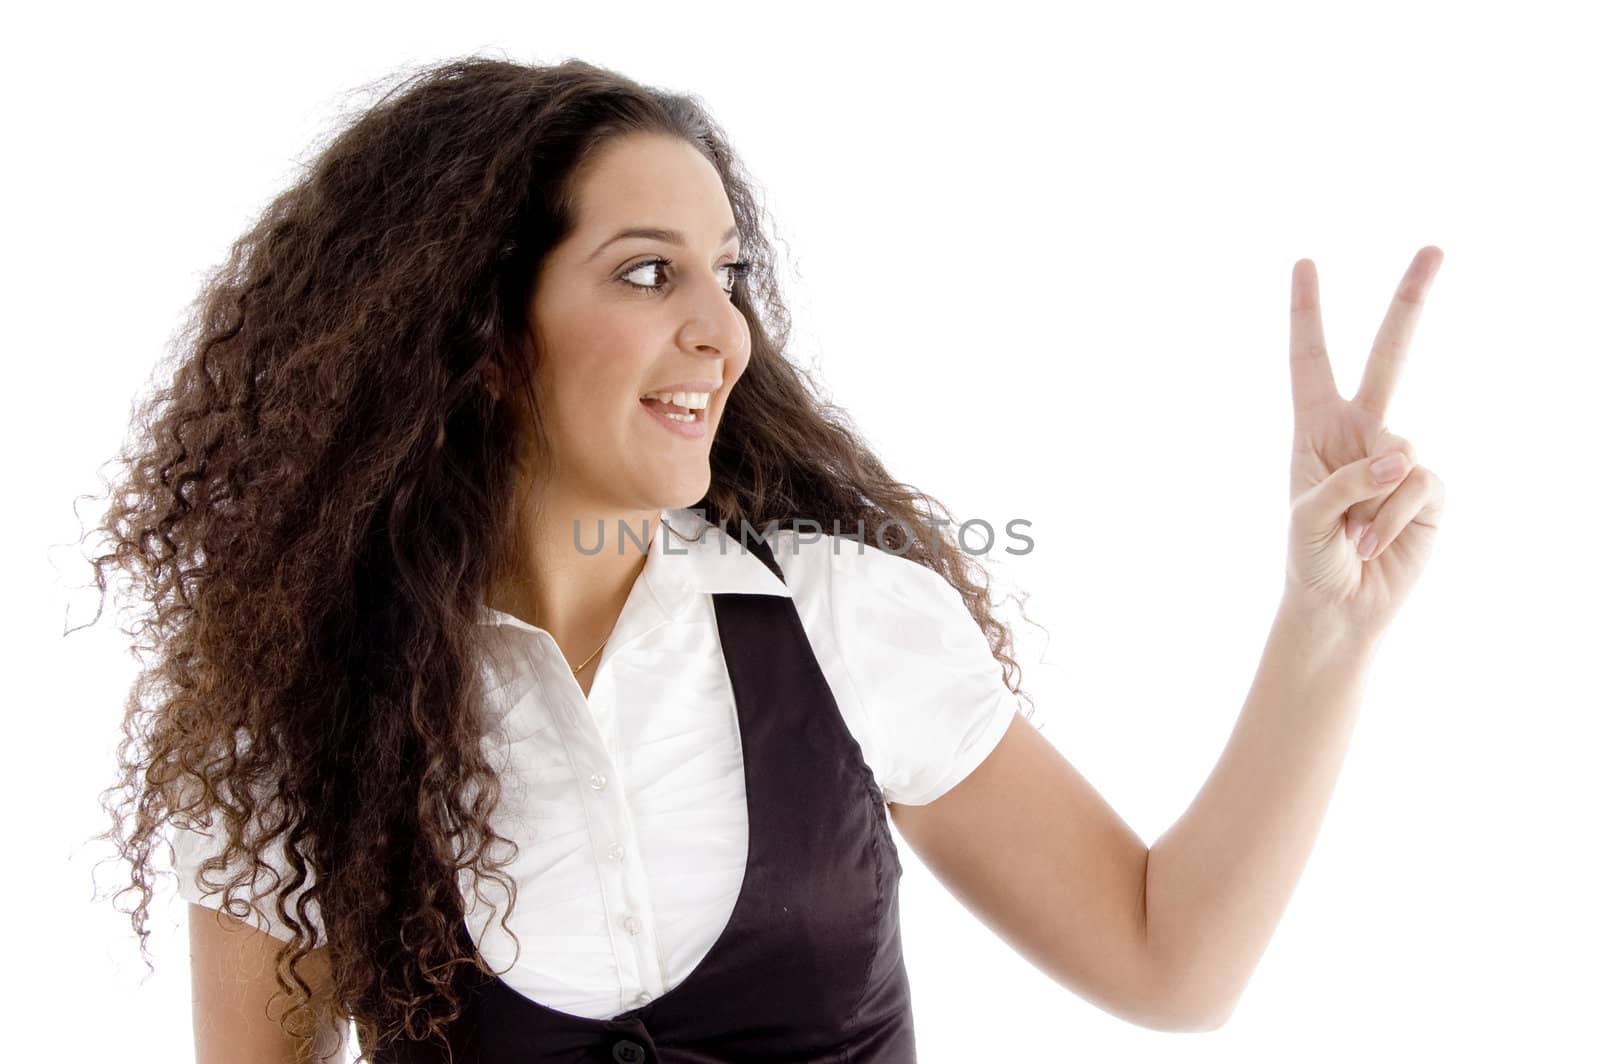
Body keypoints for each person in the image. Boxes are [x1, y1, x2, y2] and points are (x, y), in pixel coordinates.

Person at [88, 56, 1446, 1064]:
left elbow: (1172, 964)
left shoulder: (842, 619)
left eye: (725, 273)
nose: (721, 333)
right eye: (644, 273)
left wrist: (1327, 625)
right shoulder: (307, 729)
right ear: (485, 335)